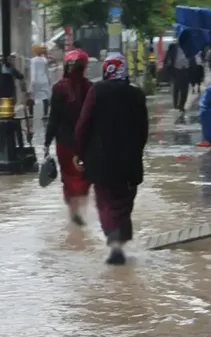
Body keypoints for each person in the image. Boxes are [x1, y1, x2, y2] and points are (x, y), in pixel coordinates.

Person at [74, 53, 148, 266]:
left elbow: (83, 124)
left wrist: (78, 151)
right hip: (129, 161)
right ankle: (120, 242)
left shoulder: (97, 91)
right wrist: (136, 152)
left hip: (100, 160)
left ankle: (114, 243)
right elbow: (143, 130)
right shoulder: (137, 95)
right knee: (123, 203)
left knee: (105, 201)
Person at [43, 48, 93, 226]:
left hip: (64, 143)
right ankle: (81, 210)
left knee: (69, 177)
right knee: (85, 176)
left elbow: (53, 118)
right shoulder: (90, 88)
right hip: (86, 143)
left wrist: (47, 142)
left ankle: (73, 211)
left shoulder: (59, 88)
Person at [165, 42, 190, 112]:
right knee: (177, 87)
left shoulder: (189, 46)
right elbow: (167, 57)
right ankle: (175, 104)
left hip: (186, 69)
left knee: (185, 89)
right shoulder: (173, 46)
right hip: (176, 69)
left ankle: (182, 105)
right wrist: (167, 66)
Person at [29, 44, 52, 119]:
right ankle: (45, 114)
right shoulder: (44, 60)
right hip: (44, 80)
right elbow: (47, 71)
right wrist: (49, 80)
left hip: (36, 81)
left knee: (32, 97)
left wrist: (32, 82)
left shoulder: (33, 60)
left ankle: (31, 114)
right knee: (45, 97)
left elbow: (33, 71)